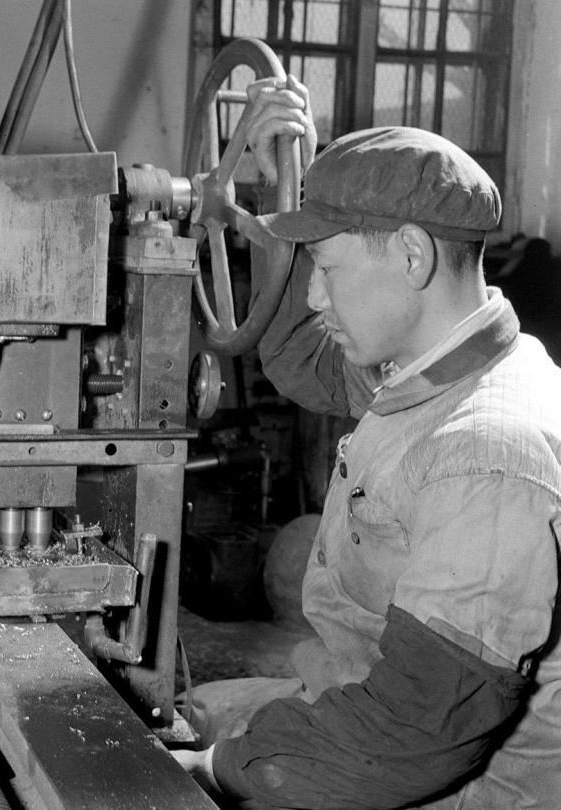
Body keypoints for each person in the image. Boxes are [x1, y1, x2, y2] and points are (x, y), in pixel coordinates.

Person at [173, 76, 561, 809]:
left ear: (412, 257)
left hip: (443, 782)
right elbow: (301, 357)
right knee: (198, 708)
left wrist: (221, 770)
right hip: (365, 698)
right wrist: (282, 180)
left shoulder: (489, 454)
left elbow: (412, 733)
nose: (314, 296)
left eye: (327, 269)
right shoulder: (432, 365)